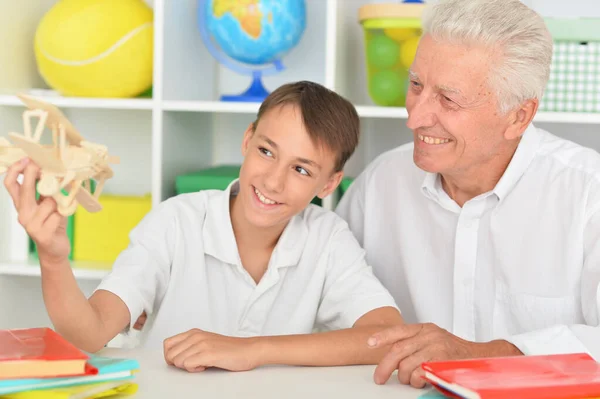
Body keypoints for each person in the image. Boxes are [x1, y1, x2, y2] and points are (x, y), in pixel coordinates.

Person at [4, 81, 403, 373]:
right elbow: (87, 335)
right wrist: (54, 260)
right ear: (247, 141)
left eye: (301, 169)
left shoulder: (328, 237)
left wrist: (252, 350)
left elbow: (386, 334)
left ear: (329, 184)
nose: (272, 181)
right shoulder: (175, 221)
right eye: (267, 151)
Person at [336, 0, 600, 389]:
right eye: (416, 85)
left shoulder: (587, 193)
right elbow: (321, 300)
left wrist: (478, 354)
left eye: (448, 99)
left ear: (519, 117)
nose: (414, 117)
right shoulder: (380, 184)